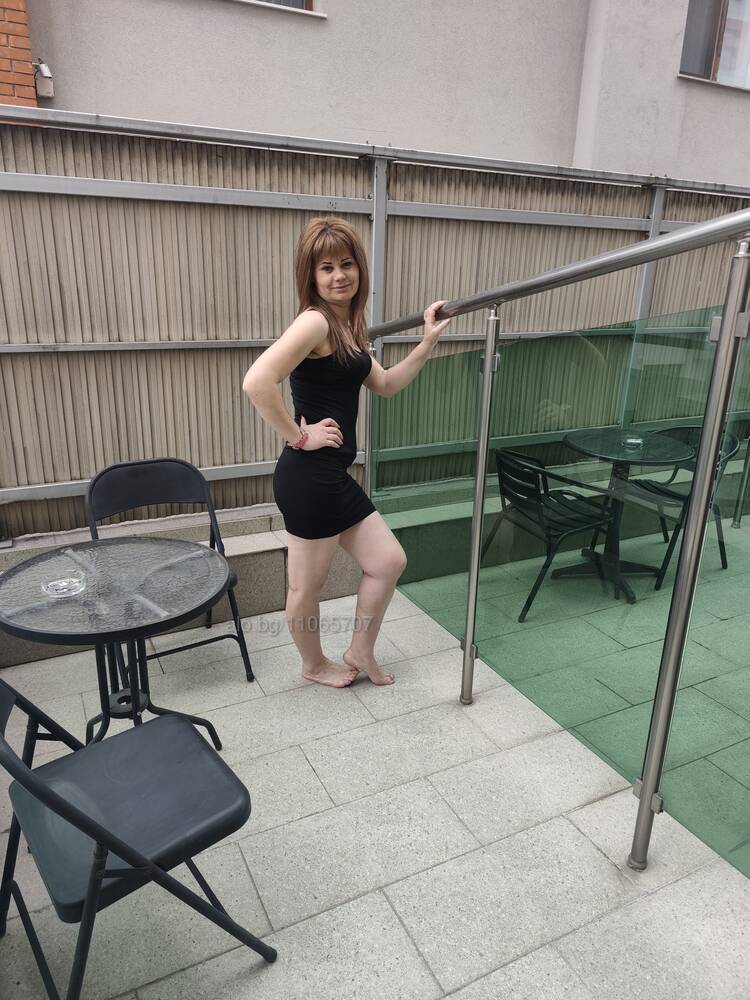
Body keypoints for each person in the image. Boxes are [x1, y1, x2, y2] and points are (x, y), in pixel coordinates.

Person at [243, 217, 451, 688]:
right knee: (306, 586)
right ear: (311, 277)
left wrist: (426, 343)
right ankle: (313, 665)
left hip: (332, 477)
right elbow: (257, 382)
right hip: (309, 478)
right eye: (326, 268)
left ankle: (359, 649)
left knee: (388, 561)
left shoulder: (345, 328)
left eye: (347, 264)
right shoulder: (315, 321)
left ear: (359, 269)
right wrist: (299, 436)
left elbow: (386, 384)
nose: (339, 275)